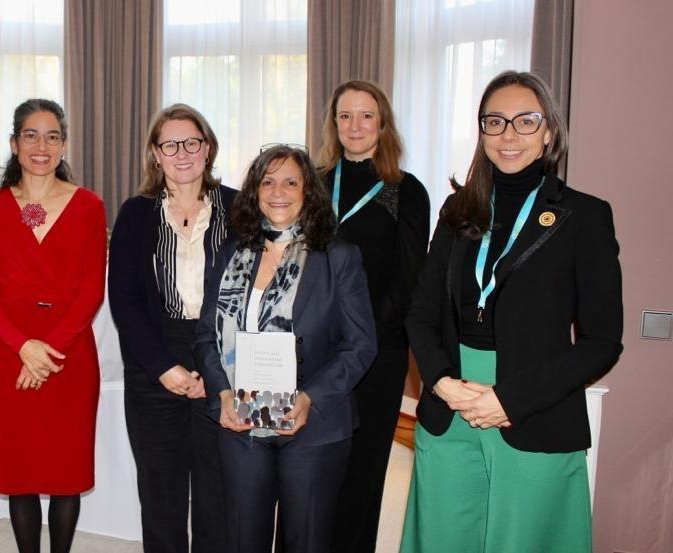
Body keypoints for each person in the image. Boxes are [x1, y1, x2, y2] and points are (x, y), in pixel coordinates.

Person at [400, 71, 622, 553]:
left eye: (526, 121)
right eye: (495, 122)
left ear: (550, 132)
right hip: (450, 402)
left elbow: (603, 340)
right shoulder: (457, 211)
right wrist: (440, 382)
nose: (509, 134)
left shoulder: (584, 216)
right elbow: (420, 312)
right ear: (482, 132)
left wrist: (509, 399)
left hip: (531, 407)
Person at [195, 145, 377, 553]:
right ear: (255, 192)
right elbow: (206, 333)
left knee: (307, 540)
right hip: (241, 421)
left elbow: (361, 345)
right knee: (243, 539)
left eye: (291, 181)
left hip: (312, 425)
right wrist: (221, 393)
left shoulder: (338, 257)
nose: (278, 191)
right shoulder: (232, 252)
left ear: (308, 191)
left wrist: (311, 397)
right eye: (268, 181)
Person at [0, 98, 106, 553]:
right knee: (19, 472)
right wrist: (22, 345)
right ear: (14, 143)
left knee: (66, 471)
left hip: (69, 355)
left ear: (64, 145)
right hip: (9, 354)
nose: (41, 146)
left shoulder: (89, 206)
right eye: (31, 135)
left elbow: (92, 291)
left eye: (52, 136)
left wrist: (45, 350)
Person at [109, 103, 236, 553]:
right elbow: (124, 302)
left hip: (222, 363)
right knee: (160, 498)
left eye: (192, 142)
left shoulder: (239, 208)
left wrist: (216, 373)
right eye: (170, 144)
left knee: (218, 497)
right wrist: (165, 368)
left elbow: (253, 297)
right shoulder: (135, 213)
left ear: (208, 148)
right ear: (155, 154)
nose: (182, 153)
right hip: (152, 367)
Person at [313, 80, 430, 553]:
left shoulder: (407, 190)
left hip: (376, 353)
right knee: (312, 466)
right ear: (334, 124)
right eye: (345, 116)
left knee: (363, 469)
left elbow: (407, 278)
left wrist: (362, 340)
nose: (355, 125)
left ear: (383, 123)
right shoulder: (314, 184)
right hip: (313, 351)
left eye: (366, 115)